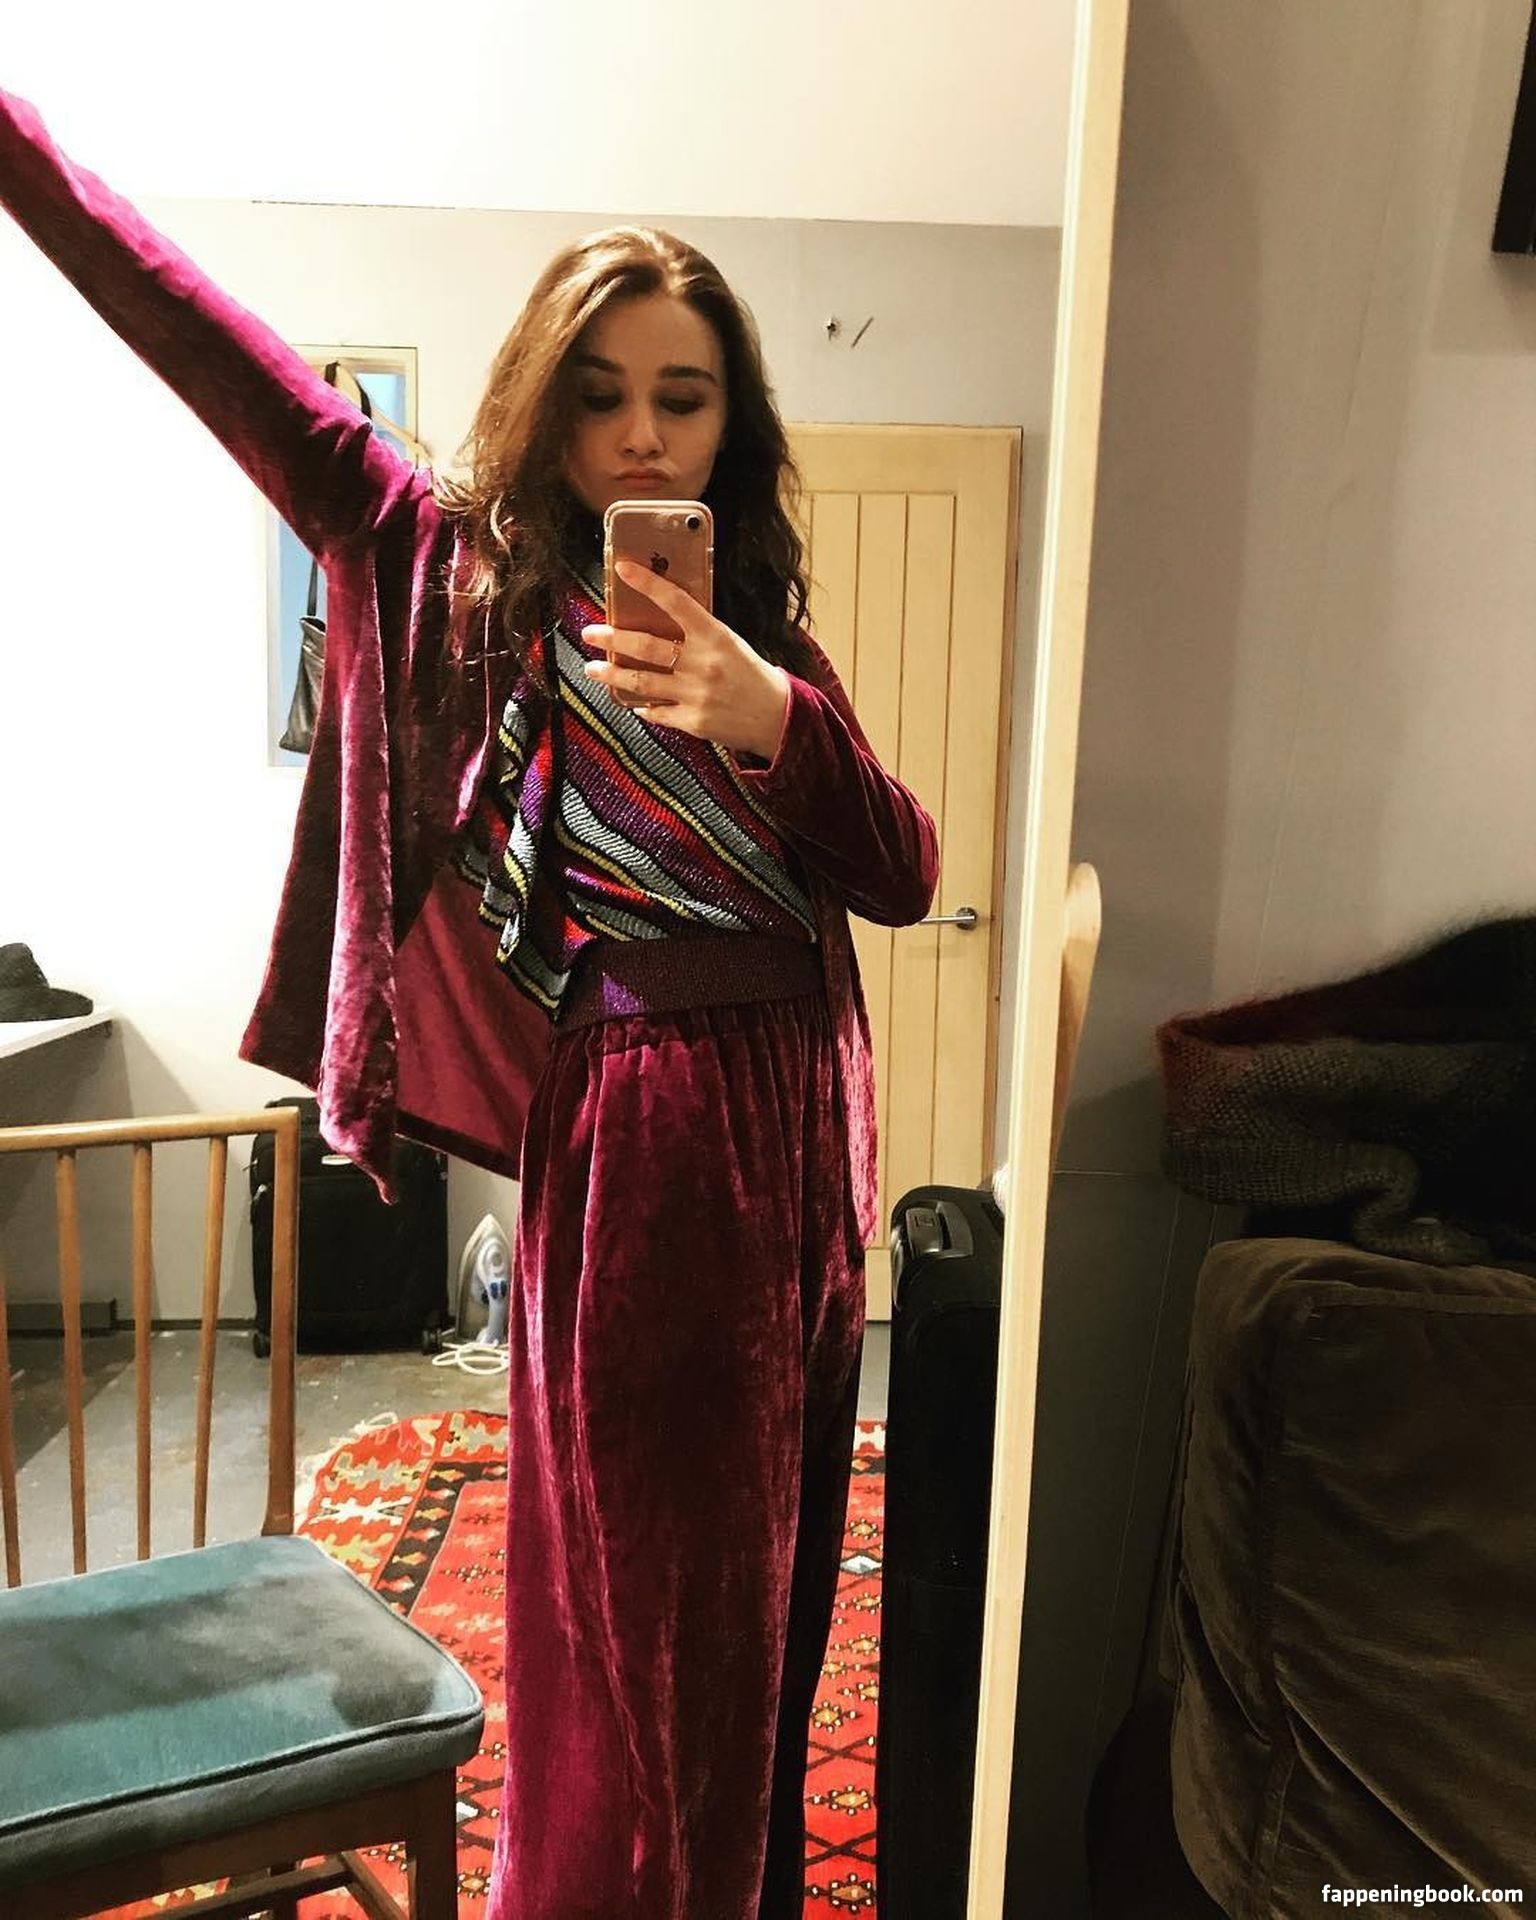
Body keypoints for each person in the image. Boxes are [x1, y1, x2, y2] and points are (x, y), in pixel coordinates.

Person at [0, 82, 938, 1919]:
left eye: (683, 395)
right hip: (651, 1137)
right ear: (541, 401)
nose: (640, 432)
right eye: (599, 393)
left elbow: (902, 872)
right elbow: (199, 333)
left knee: (766, 1608)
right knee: (648, 1619)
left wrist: (775, 718)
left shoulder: (762, 632)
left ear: (734, 421)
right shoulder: (451, 573)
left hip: (810, 1153)